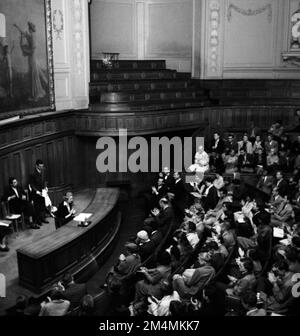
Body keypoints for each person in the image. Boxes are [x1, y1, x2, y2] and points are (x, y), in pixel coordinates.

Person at [15, 21, 47, 101]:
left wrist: (26, 50)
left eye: (29, 29)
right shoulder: (31, 35)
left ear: (31, 29)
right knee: (33, 73)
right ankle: (34, 94)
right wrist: (17, 26)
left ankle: (35, 95)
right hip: (31, 57)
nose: (28, 30)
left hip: (32, 57)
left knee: (34, 74)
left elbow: (33, 49)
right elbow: (23, 33)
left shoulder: (33, 36)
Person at [28, 159, 48, 226]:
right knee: (37, 207)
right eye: (40, 166)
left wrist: (45, 187)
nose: (42, 168)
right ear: (36, 166)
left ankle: (43, 218)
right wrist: (36, 191)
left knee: (43, 205)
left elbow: (45, 180)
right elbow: (32, 184)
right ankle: (38, 220)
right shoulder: (32, 173)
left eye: (42, 166)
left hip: (43, 191)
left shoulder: (43, 171)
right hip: (36, 193)